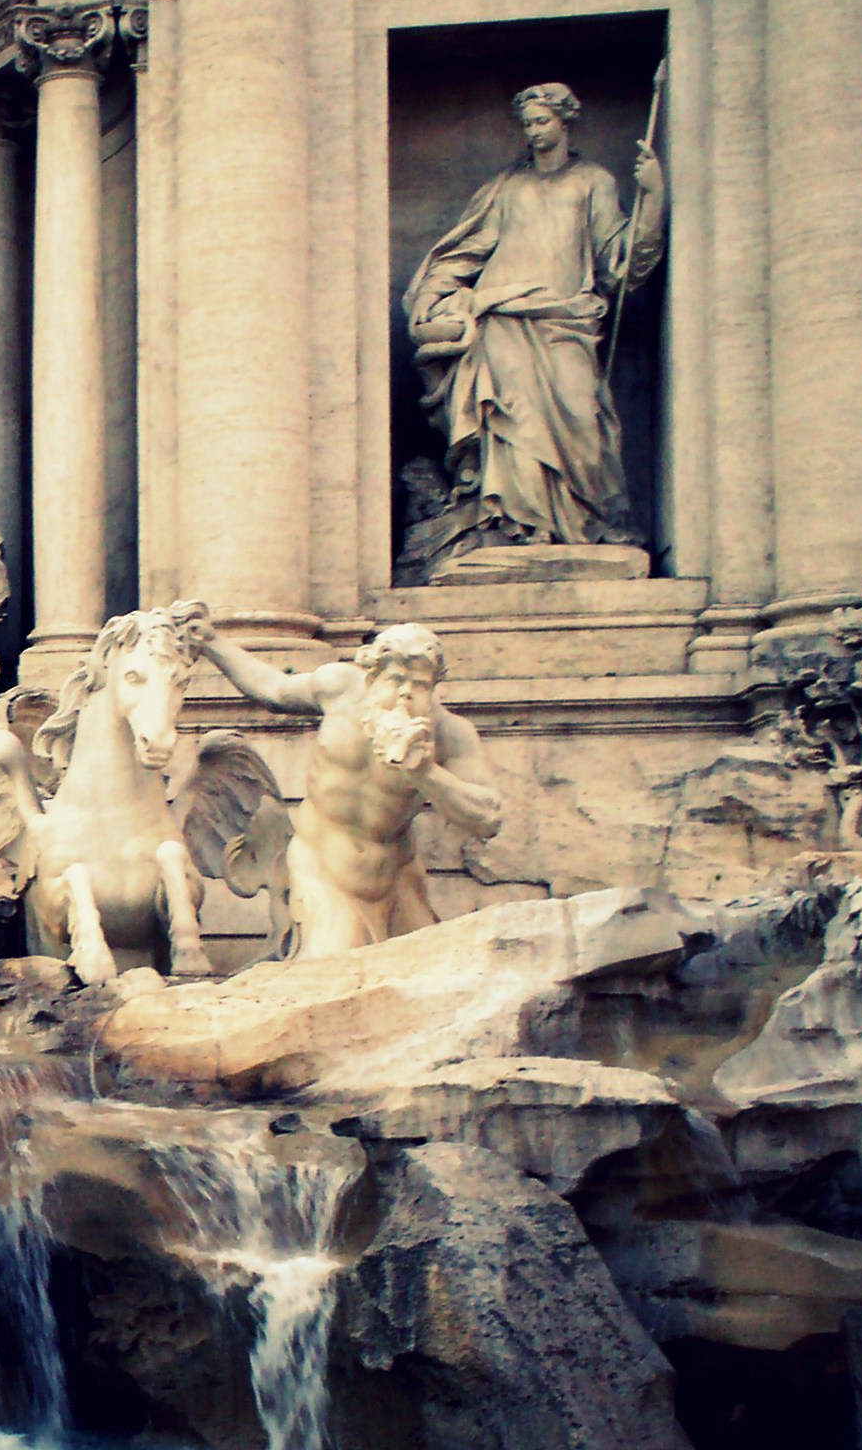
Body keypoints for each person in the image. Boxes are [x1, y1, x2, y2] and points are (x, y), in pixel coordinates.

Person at [402, 83, 665, 559]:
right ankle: (518, 524)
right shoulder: (507, 188)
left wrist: (652, 200)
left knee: (582, 416)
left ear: (566, 121)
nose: (534, 131)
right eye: (527, 123)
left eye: (542, 120)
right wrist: (431, 295)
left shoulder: (593, 181)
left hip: (567, 319)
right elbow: (462, 252)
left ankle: (583, 523)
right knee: (511, 418)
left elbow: (619, 261)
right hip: (503, 317)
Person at [192, 618, 503, 958]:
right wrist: (212, 642)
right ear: (372, 676)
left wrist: (426, 772)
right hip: (323, 869)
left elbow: (487, 817)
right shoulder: (338, 687)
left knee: (426, 978)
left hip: (396, 877)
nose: (405, 693)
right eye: (395, 679)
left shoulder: (448, 734)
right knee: (332, 969)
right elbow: (272, 689)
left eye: (419, 685)